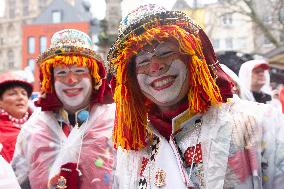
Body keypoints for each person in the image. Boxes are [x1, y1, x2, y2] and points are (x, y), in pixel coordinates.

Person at [107, 4, 284, 189]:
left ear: (194, 58)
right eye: (143, 61)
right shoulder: (132, 149)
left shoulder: (260, 123)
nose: (155, 66)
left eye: (166, 52)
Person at [12, 29, 115, 189]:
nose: (71, 80)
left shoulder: (114, 121)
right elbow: (16, 181)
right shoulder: (33, 129)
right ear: (50, 80)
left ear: (94, 76)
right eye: (61, 72)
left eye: (79, 71)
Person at [0, 71, 33, 162]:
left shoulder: (40, 124)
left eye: (24, 93)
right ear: (0, 101)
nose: (20, 97)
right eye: (13, 94)